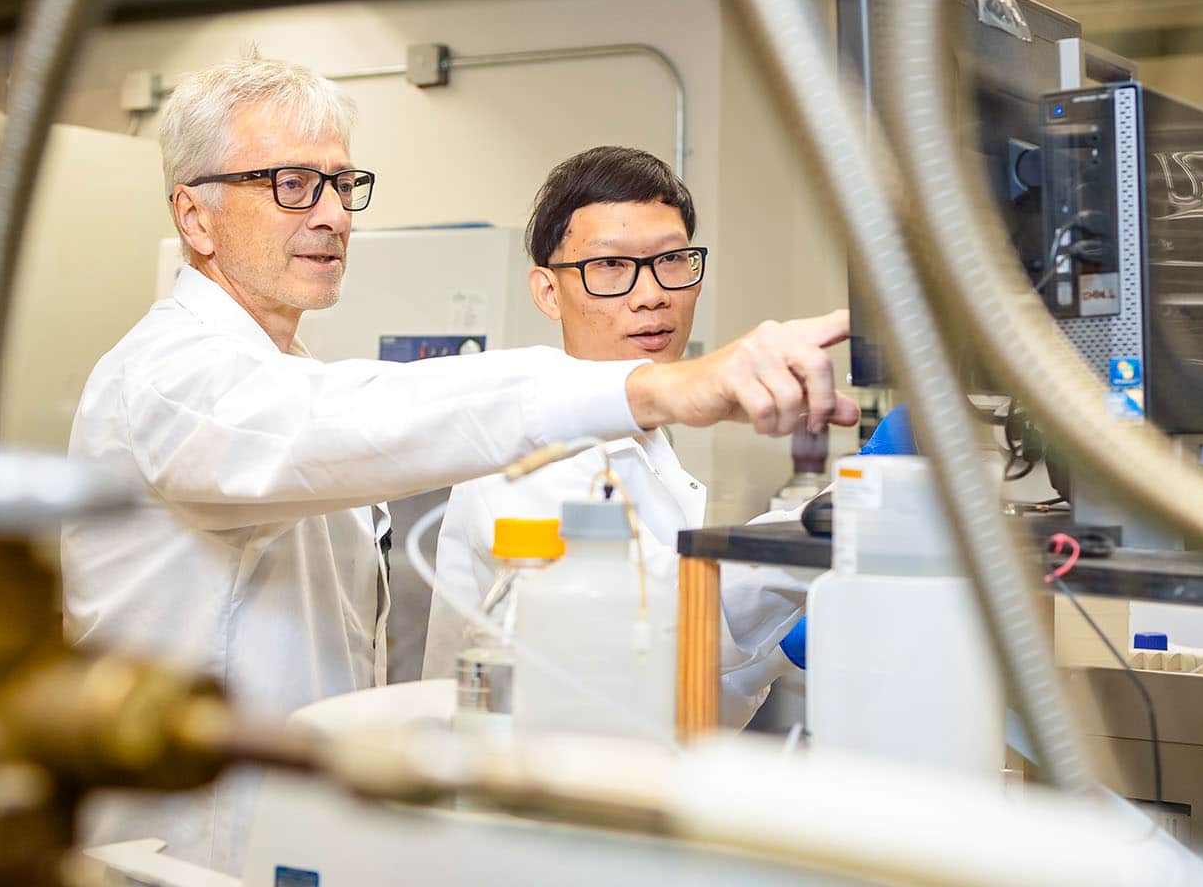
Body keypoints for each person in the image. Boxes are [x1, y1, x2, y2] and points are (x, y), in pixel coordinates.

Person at [61, 56, 858, 874]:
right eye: (294, 185)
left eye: (342, 184)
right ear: (195, 217)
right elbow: (348, 422)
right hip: (179, 850)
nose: (334, 215)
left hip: (283, 836)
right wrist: (660, 387)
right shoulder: (166, 377)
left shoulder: (284, 369)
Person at [423, 146, 814, 726]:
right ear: (548, 292)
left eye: (672, 260)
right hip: (519, 788)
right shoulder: (532, 451)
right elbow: (648, 626)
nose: (651, 293)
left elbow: (670, 691)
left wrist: (776, 652)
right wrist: (815, 538)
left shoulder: (644, 437)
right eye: (610, 267)